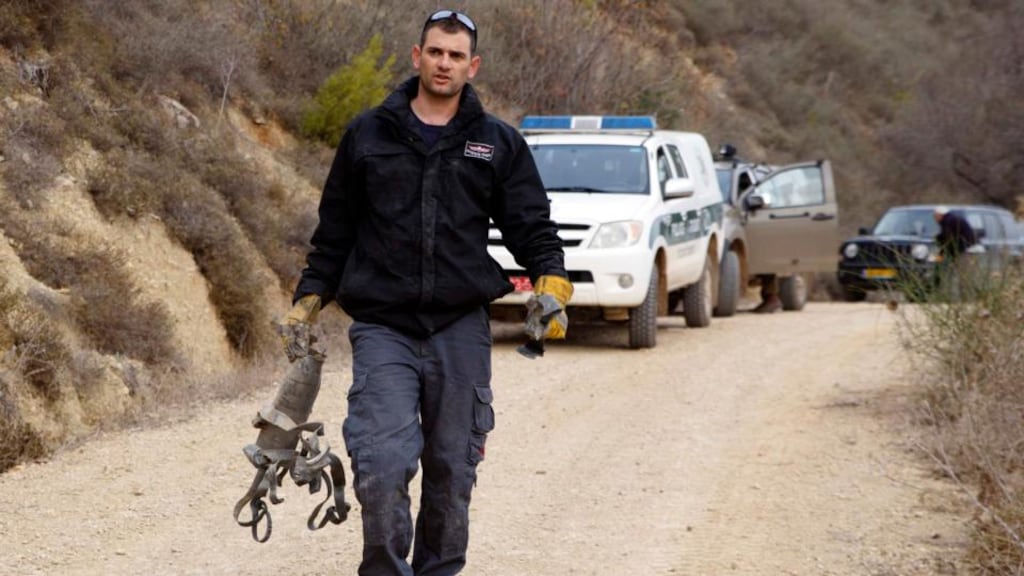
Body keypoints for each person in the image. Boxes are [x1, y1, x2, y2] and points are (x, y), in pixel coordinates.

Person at [282, 9, 571, 575]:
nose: (444, 63)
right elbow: (335, 230)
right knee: (382, 463)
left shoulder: (497, 143)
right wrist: (310, 295)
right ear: (417, 57)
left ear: (473, 66)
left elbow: (531, 224)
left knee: (451, 468)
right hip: (383, 327)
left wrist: (551, 278)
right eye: (435, 52)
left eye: (456, 55)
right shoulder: (367, 134)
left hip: (459, 327)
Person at [932, 205, 978, 299]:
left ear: (940, 215)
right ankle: (961, 297)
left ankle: (963, 298)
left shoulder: (949, 221)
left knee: (961, 276)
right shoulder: (952, 220)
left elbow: (949, 239)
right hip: (959, 250)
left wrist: (941, 253)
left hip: (961, 251)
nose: (934, 218)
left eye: (935, 216)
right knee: (961, 276)